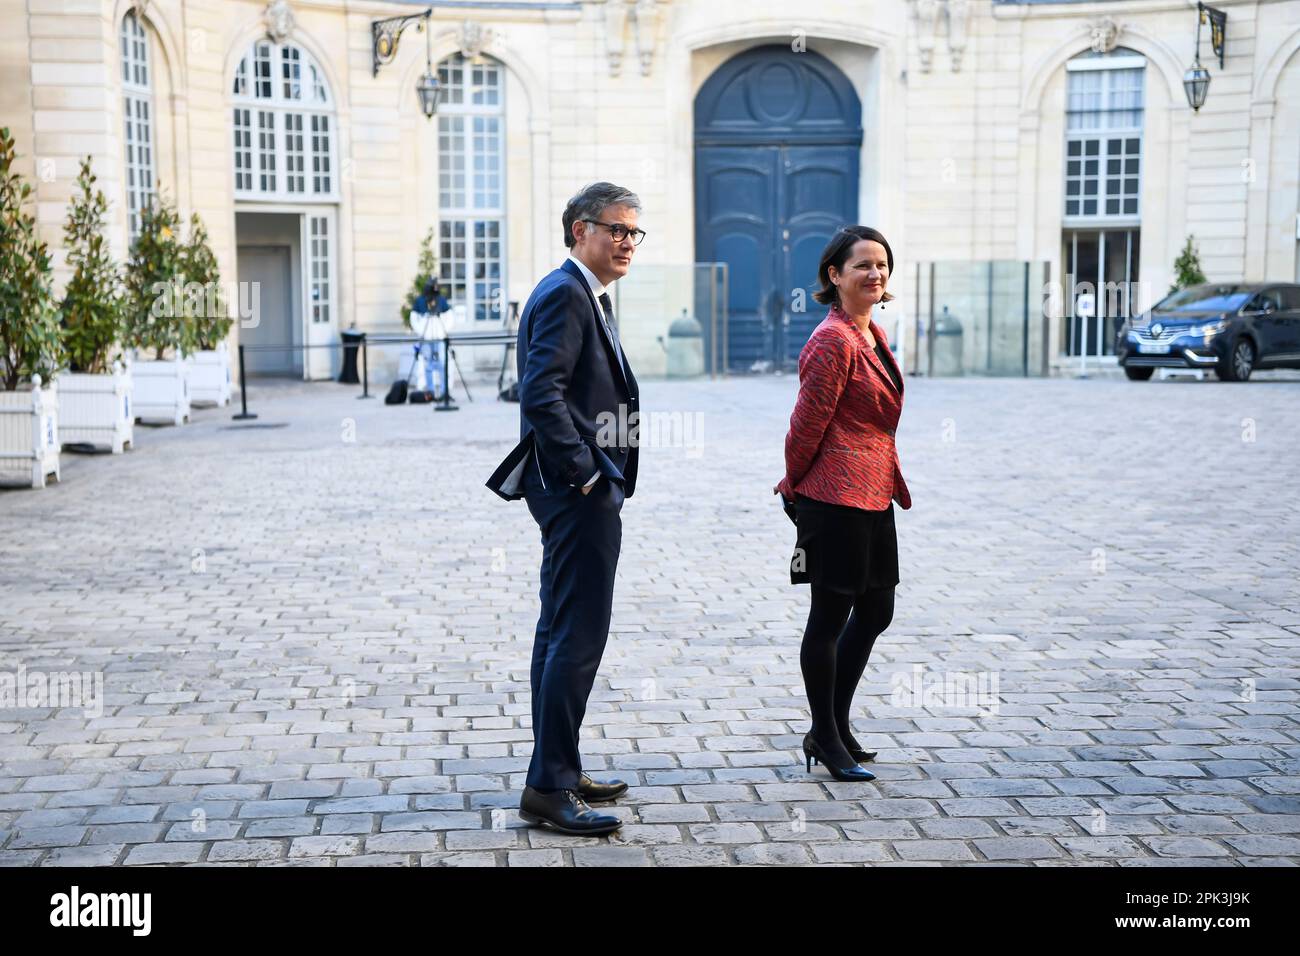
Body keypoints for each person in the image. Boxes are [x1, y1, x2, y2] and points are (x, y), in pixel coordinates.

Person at [485, 182, 644, 835]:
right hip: (576, 491)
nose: (628, 242)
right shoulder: (564, 293)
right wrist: (585, 475)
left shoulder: (582, 293)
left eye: (636, 233)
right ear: (580, 230)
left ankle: (560, 764)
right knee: (577, 634)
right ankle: (548, 787)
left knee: (560, 630)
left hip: (579, 487)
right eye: (617, 230)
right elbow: (540, 392)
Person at [774, 225, 911, 783]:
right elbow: (806, 424)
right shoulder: (832, 340)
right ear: (835, 275)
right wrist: (793, 485)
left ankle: (836, 721)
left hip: (874, 489)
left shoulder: (871, 333)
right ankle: (824, 735)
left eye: (882, 265)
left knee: (877, 610)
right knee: (829, 616)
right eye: (863, 266)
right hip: (832, 495)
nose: (875, 274)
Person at [412, 279, 449, 399]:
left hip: (439, 337)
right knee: (428, 364)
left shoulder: (441, 299)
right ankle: (431, 391)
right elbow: (413, 318)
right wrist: (421, 331)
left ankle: (444, 391)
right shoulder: (420, 300)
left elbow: (449, 315)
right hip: (426, 338)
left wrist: (444, 331)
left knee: (441, 364)